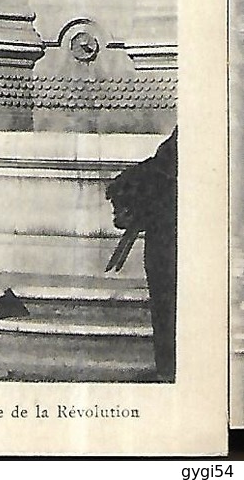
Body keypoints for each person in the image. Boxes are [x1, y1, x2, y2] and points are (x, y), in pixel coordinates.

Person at [106, 128, 177, 381]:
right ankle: (168, 368)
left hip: (170, 235)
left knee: (166, 302)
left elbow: (161, 167)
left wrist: (127, 184)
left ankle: (169, 369)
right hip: (166, 232)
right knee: (165, 302)